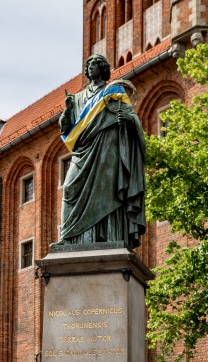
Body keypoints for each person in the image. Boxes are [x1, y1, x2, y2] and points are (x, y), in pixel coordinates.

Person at [57, 54, 146, 249]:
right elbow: (65, 130)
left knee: (108, 191)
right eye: (88, 65)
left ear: (103, 69)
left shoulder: (113, 91)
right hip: (82, 152)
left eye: (95, 64)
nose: (90, 67)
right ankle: (69, 236)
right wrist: (66, 111)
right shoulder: (78, 98)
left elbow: (131, 118)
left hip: (107, 148)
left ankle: (109, 237)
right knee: (69, 188)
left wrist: (128, 119)